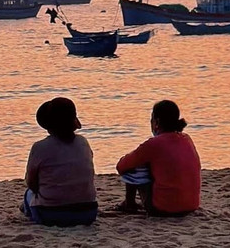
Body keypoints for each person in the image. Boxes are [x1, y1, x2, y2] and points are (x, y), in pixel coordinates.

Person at [115, 100, 201, 216]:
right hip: (191, 205)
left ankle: (129, 203)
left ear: (156, 122)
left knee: (135, 167)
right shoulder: (186, 139)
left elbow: (122, 166)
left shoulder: (154, 144)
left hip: (162, 208)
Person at [22, 97, 98, 227]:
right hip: (88, 212)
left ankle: (29, 212)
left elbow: (31, 183)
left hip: (52, 214)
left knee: (28, 194)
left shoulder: (40, 147)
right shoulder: (83, 142)